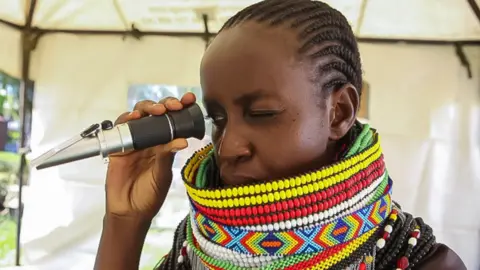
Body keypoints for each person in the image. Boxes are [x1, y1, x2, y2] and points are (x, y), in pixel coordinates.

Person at [94, 1, 466, 269]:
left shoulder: (419, 262)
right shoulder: (190, 247)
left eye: (262, 114)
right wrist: (125, 222)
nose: (227, 147)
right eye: (219, 118)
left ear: (340, 113)